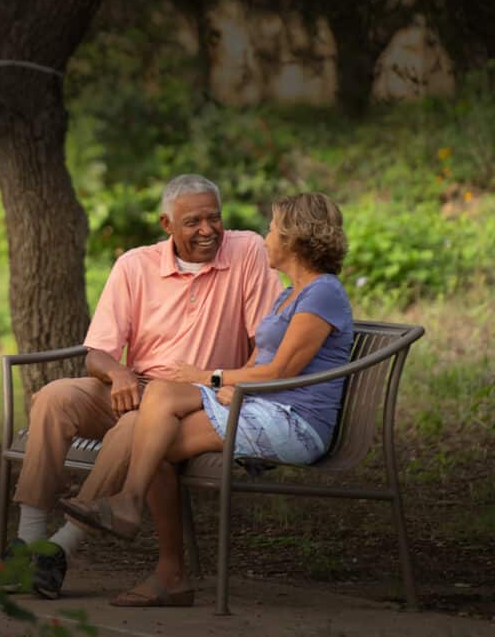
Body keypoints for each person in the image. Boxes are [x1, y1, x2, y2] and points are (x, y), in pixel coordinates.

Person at [59, 192, 353, 606]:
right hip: (264, 407)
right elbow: (259, 360)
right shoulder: (290, 294)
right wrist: (231, 387)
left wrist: (209, 378)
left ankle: (145, 532)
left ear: (294, 239)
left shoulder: (322, 293)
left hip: (295, 422)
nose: (266, 238)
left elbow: (281, 371)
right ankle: (153, 546)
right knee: (160, 411)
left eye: (272, 230)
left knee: (158, 435)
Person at [2, 174, 281, 599]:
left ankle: (59, 549)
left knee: (134, 427)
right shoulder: (134, 265)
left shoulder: (247, 252)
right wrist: (119, 374)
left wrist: (232, 385)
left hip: (192, 398)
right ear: (166, 224)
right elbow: (97, 352)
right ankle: (29, 538)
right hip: (135, 386)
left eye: (214, 218)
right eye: (193, 222)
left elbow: (267, 341)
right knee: (55, 397)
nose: (207, 230)